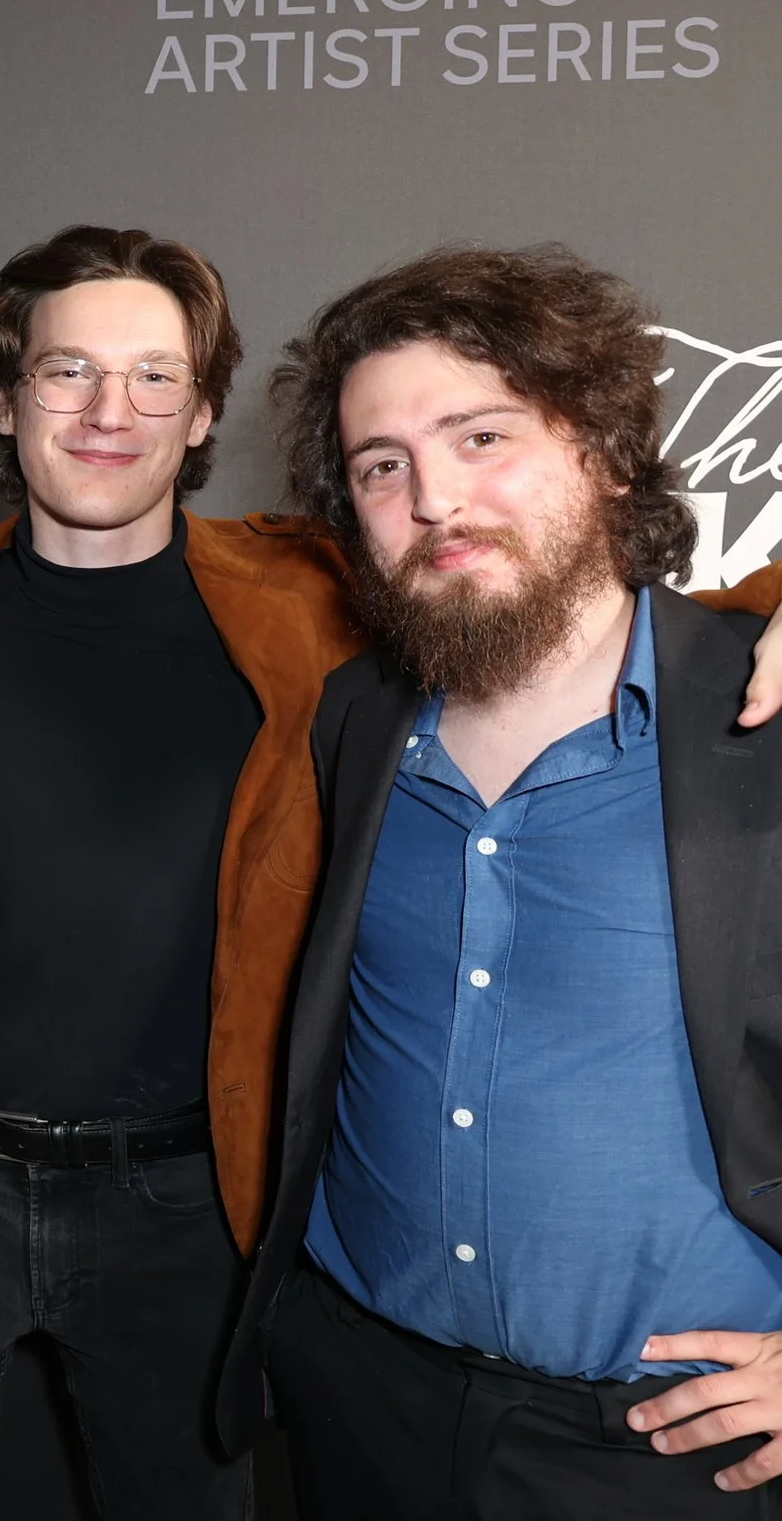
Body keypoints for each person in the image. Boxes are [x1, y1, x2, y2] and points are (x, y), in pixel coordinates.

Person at [0, 226, 782, 1521]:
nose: (109, 410)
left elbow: (604, 600)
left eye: (155, 378)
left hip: (193, 1202)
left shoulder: (311, 594)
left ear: (202, 417)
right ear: (7, 405)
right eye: (68, 373)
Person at [222, 244, 782, 1518]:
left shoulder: (763, 708)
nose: (433, 499)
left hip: (667, 1451)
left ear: (605, 451)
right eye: (382, 465)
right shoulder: (349, 721)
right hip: (358, 1397)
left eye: (481, 436)